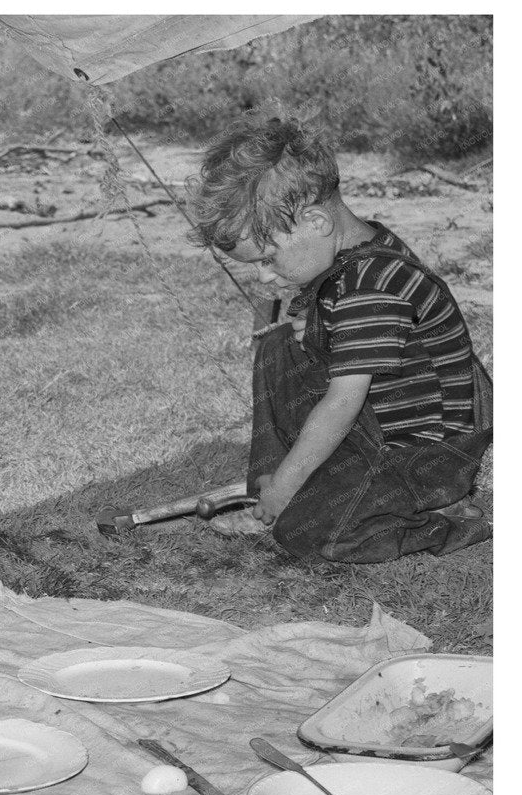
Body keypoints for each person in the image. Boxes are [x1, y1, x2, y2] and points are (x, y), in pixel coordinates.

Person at [187, 114, 492, 562]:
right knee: (280, 346)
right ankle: (283, 488)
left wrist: (289, 485)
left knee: (309, 533)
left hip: (426, 455)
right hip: (384, 428)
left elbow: (342, 403)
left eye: (268, 259)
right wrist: (314, 324)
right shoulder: (362, 248)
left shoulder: (370, 286)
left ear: (314, 221)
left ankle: (446, 516)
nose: (266, 277)